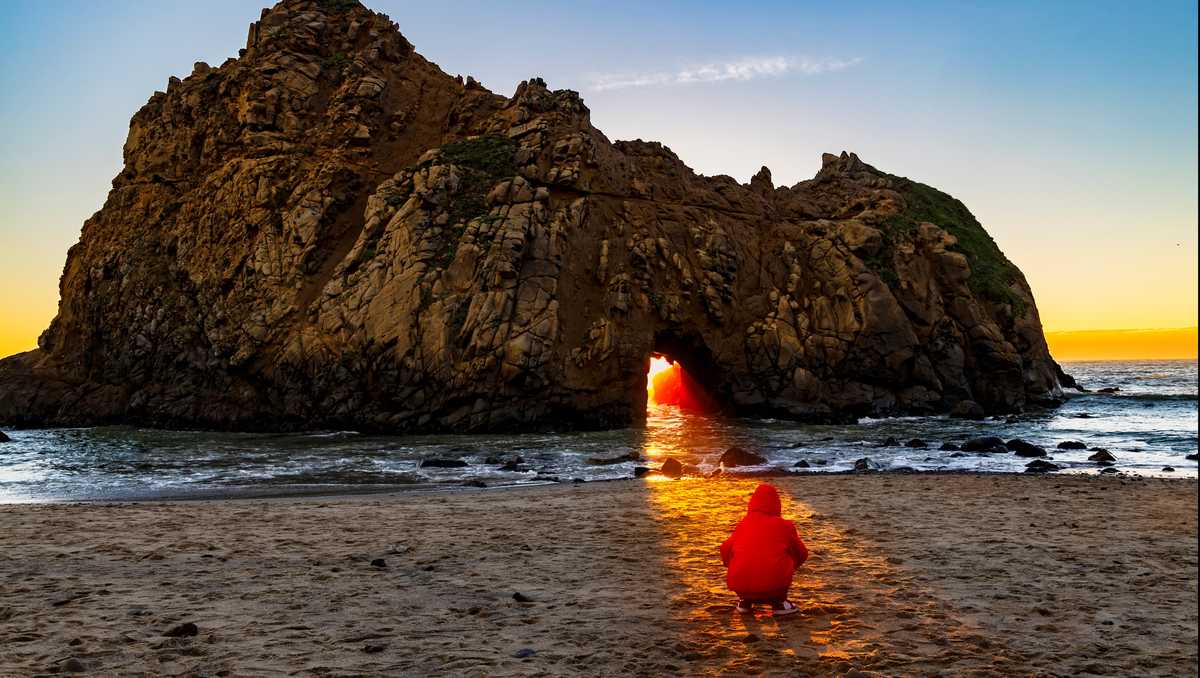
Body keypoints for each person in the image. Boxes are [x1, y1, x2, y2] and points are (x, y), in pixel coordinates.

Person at [719, 483, 809, 616]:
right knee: (782, 562)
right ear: (777, 504)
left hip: (741, 587)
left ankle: (745, 602)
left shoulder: (743, 524)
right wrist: (790, 565)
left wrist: (734, 565)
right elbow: (802, 553)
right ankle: (779, 603)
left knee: (747, 563)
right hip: (775, 588)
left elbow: (725, 549)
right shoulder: (785, 525)